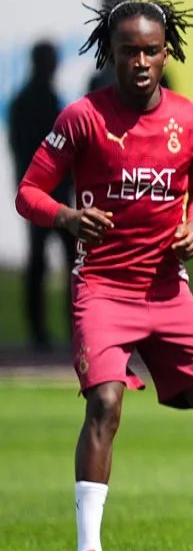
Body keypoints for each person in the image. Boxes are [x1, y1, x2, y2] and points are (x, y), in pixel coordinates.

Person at [14, 0, 193, 551]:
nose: (142, 61)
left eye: (152, 50)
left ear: (166, 51)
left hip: (167, 291)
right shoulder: (82, 118)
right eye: (129, 51)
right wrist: (68, 218)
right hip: (102, 289)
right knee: (105, 402)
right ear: (111, 54)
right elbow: (29, 192)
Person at [8, 41, 76, 351]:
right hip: (47, 195)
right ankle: (52, 330)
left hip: (46, 194)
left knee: (52, 262)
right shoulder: (39, 101)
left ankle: (46, 330)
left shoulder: (33, 100)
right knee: (56, 262)